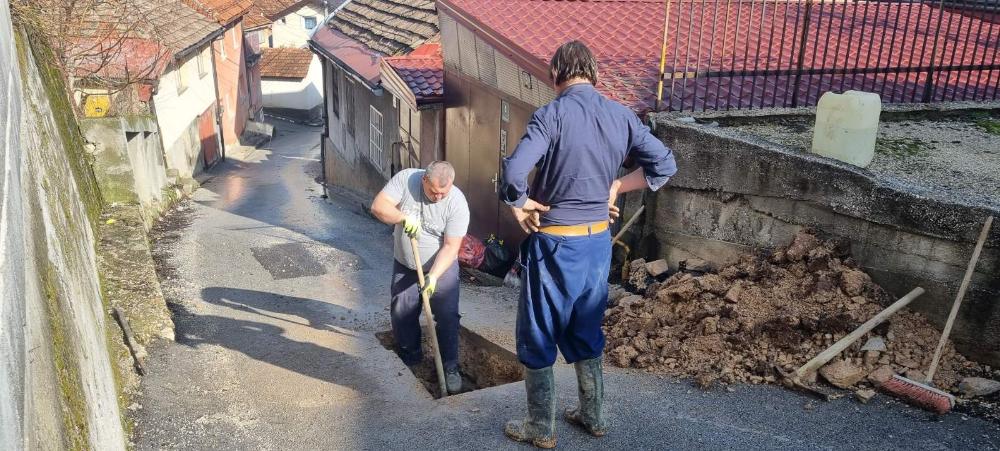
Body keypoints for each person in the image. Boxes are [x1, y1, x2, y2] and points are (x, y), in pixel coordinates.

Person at [500, 41, 677, 448]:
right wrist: (617, 185)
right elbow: (664, 166)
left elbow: (513, 173)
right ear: (594, 74)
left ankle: (541, 428)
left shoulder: (551, 115)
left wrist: (521, 202)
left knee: (539, 331)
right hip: (598, 242)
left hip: (554, 247)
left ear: (554, 74)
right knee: (586, 325)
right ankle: (593, 415)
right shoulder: (622, 116)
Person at [370, 161, 470, 395]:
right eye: (434, 191)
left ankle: (450, 367)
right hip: (406, 264)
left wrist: (433, 276)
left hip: (440, 267)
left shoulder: (457, 203)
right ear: (424, 179)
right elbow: (378, 206)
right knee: (401, 312)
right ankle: (411, 358)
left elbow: (451, 246)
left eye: (443, 193)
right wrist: (402, 217)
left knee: (447, 315)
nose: (438, 197)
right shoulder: (407, 179)